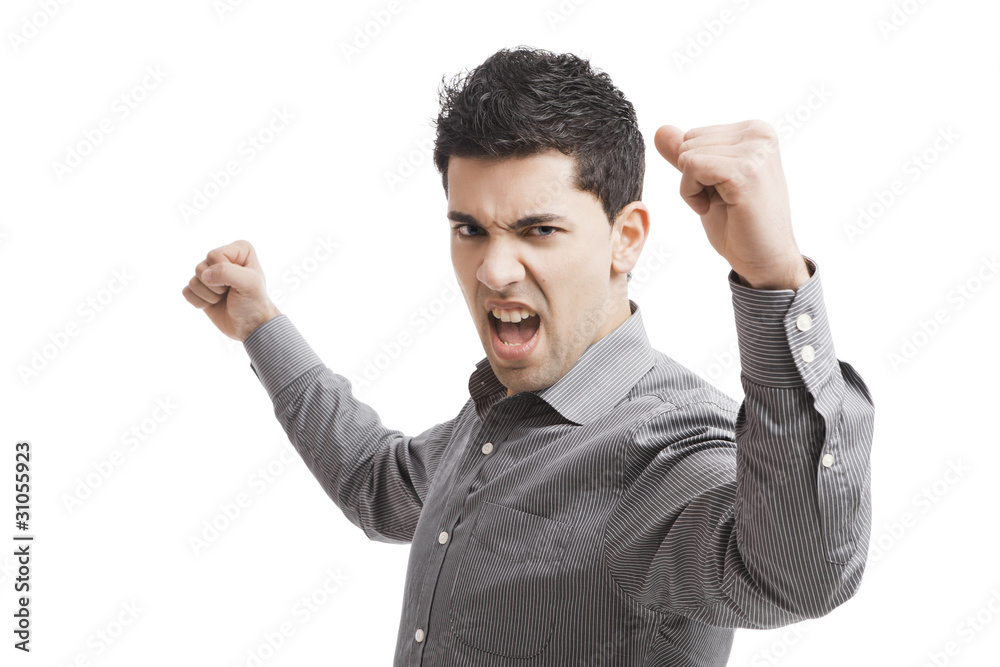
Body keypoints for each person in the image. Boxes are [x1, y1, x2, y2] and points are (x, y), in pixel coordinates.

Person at [182, 46, 874, 667]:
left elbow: (800, 574)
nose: (494, 270)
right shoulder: (499, 420)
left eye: (538, 229)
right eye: (470, 229)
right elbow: (379, 484)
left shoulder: (674, 448)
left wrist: (774, 279)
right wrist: (258, 325)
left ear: (625, 238)